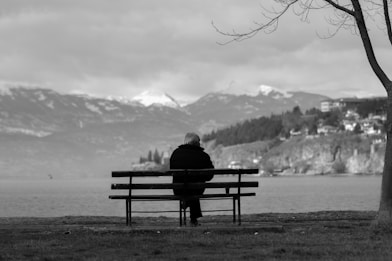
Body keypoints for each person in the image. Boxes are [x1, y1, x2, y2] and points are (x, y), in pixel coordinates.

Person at [170, 132, 214, 226]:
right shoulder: (203, 156)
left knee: (189, 187)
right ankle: (193, 219)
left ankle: (186, 203)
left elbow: (172, 170)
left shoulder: (176, 153)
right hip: (197, 190)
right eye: (199, 141)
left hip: (179, 189)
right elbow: (209, 176)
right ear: (195, 142)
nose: (200, 143)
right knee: (194, 187)